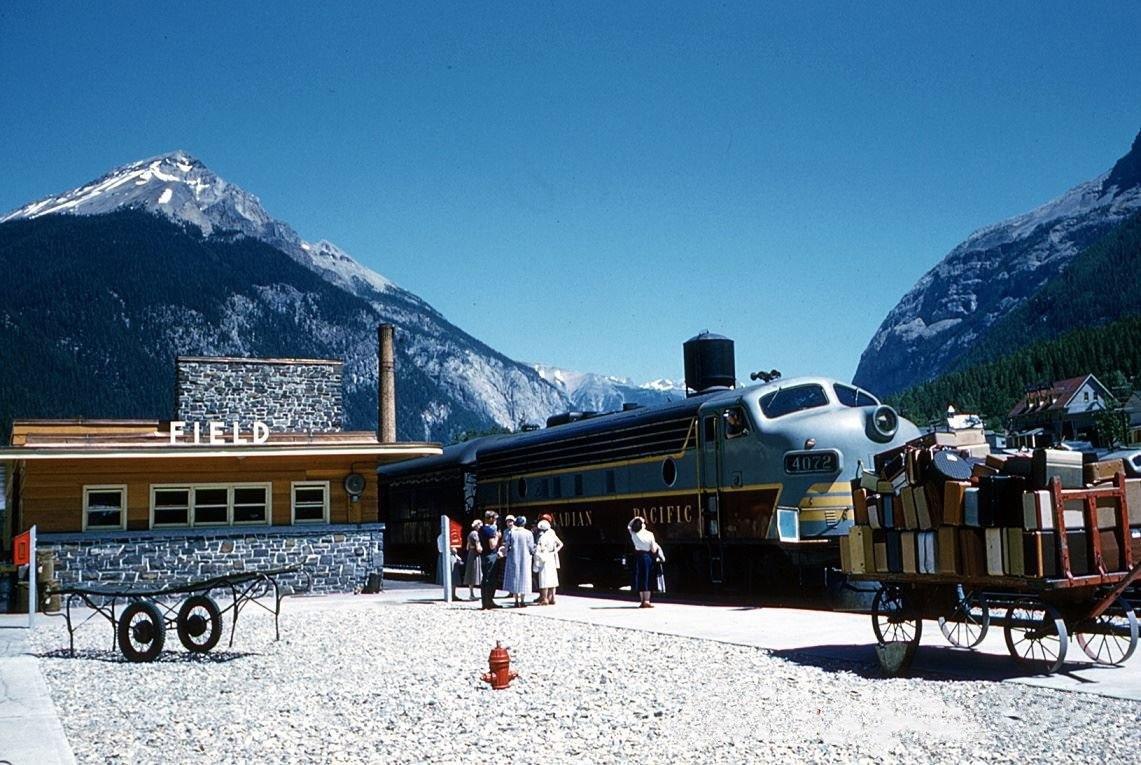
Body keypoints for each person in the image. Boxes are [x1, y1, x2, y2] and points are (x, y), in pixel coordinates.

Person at [628, 516, 664, 608]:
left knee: (641, 577)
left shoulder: (634, 534)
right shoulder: (649, 534)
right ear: (643, 525)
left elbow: (629, 526)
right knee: (648, 577)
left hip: (639, 557)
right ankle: (647, 601)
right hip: (648, 557)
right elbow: (653, 549)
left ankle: (642, 601)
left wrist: (635, 518)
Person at [502, 515, 535, 607]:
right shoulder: (529, 533)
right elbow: (531, 547)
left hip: (513, 557)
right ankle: (523, 601)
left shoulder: (511, 533)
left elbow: (507, 545)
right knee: (524, 578)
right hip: (525, 558)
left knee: (515, 578)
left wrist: (505, 552)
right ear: (524, 524)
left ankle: (516, 600)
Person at [533, 519, 564, 605]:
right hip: (552, 558)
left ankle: (544, 599)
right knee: (553, 579)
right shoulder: (552, 533)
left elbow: (541, 549)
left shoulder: (542, 537)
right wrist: (555, 551)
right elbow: (561, 544)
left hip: (544, 558)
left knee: (544, 578)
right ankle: (552, 598)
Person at [479, 511, 502, 610]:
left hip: (484, 556)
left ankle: (486, 601)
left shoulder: (481, 529)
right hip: (490, 556)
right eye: (495, 519)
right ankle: (488, 601)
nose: (496, 521)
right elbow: (492, 545)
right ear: (491, 519)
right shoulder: (489, 531)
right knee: (490, 579)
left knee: (485, 578)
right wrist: (497, 536)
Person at [463, 519, 483, 600]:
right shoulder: (476, 534)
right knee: (477, 574)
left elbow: (467, 547)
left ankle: (471, 594)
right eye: (480, 525)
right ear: (477, 525)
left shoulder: (470, 534)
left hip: (471, 555)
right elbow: (479, 548)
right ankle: (478, 594)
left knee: (471, 573)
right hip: (475, 555)